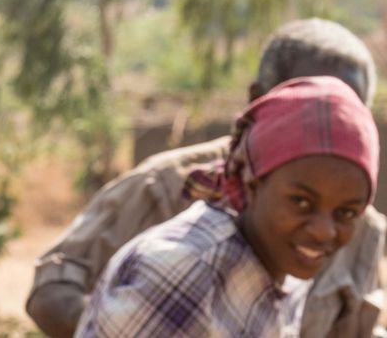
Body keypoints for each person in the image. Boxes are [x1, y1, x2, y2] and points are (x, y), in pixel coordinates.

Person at [27, 18, 386, 337]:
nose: (323, 230)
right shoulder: (168, 196)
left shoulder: (350, 230)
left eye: (346, 115)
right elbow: (54, 289)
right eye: (304, 106)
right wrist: (150, 319)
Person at [76, 75, 380, 337]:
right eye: (301, 202)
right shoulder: (185, 271)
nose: (324, 231)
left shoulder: (281, 266)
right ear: (252, 180)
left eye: (346, 212)